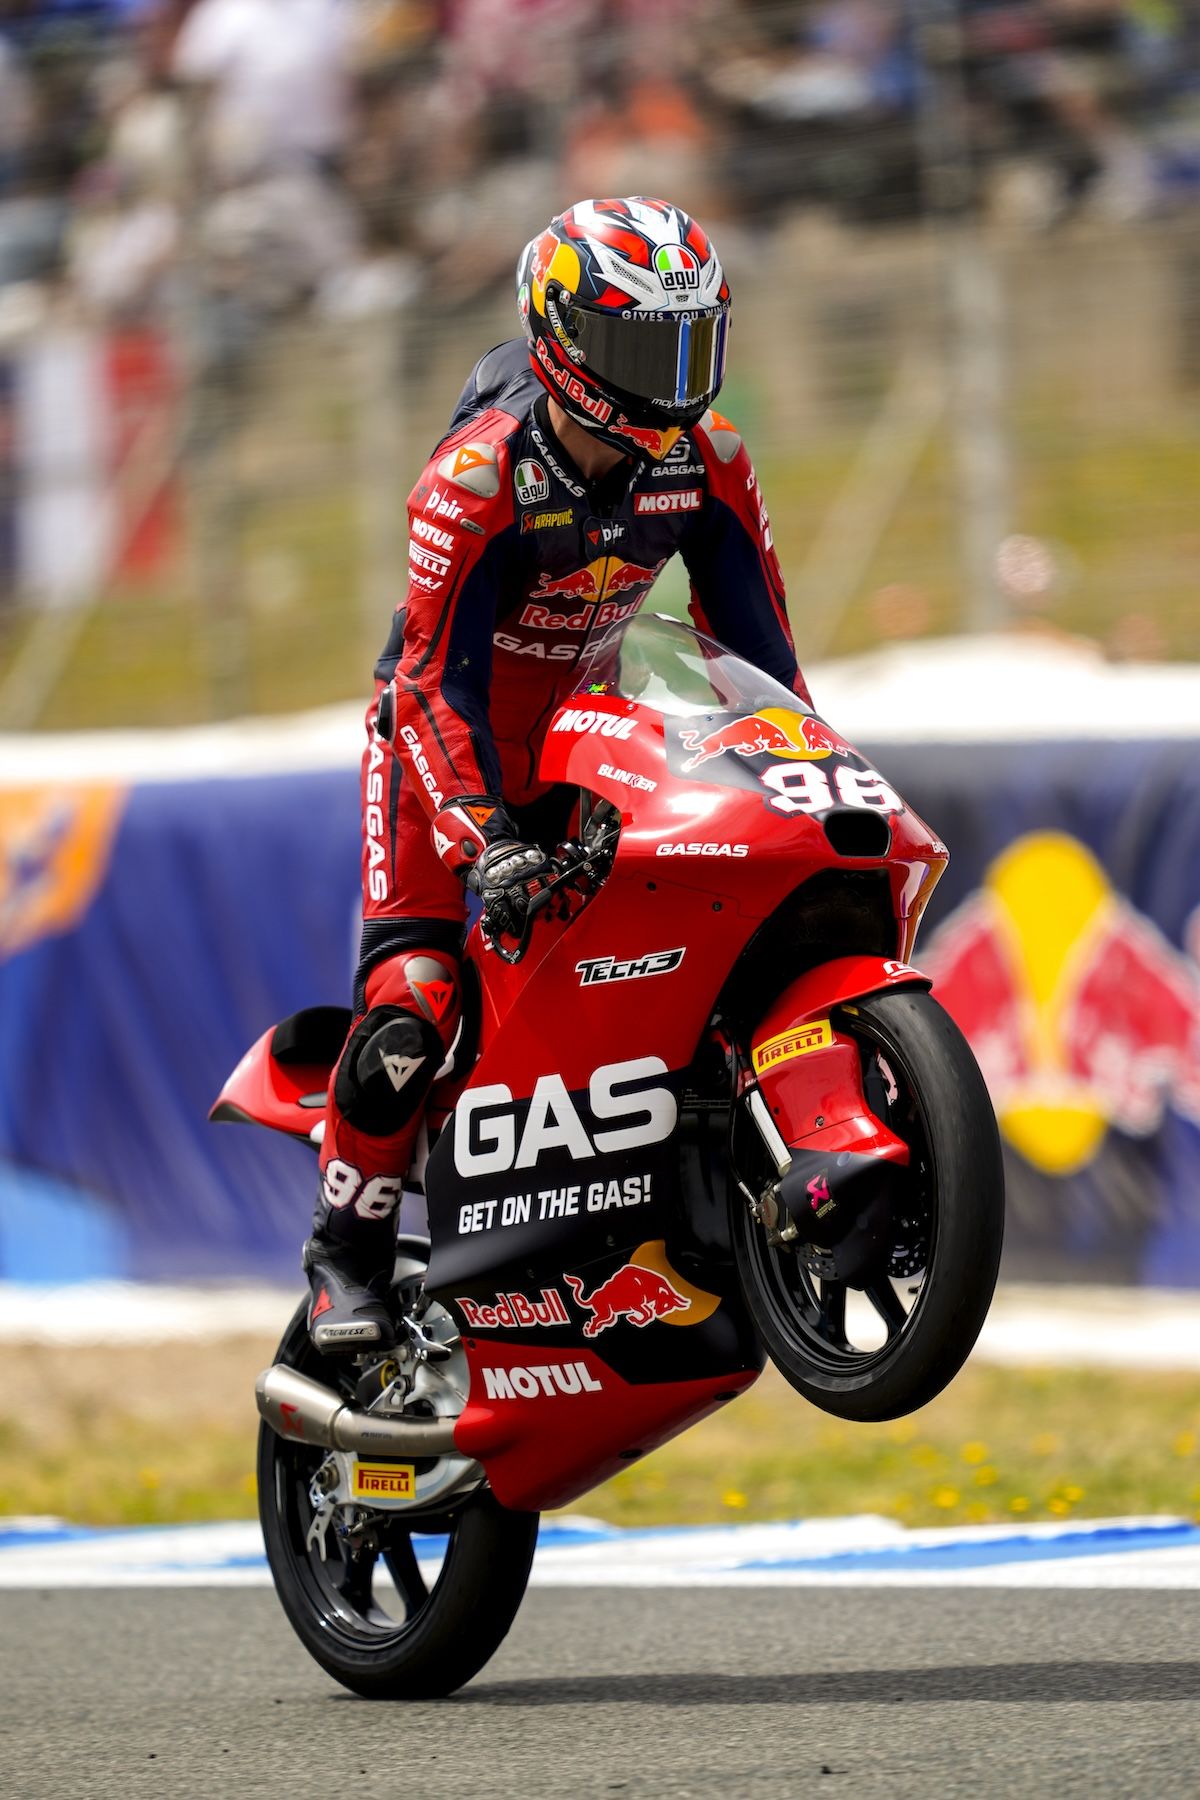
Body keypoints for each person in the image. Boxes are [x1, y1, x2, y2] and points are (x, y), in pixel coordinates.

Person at [305, 195, 813, 1350]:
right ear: (564, 338)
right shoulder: (475, 479)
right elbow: (433, 686)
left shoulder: (711, 458)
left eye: (693, 346)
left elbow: (764, 658)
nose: (675, 382)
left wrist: (793, 779)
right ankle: (347, 1256)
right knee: (416, 1004)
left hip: (590, 730)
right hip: (445, 746)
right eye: (645, 347)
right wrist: (488, 839)